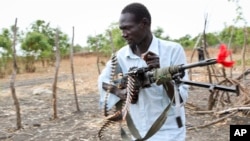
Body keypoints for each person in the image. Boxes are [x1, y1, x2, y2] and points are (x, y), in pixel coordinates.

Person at [98, 2, 189, 141]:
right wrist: (121, 93)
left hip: (170, 132)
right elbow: (103, 80)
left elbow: (179, 100)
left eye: (127, 28)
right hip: (139, 132)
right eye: (122, 29)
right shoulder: (122, 55)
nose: (123, 34)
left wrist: (161, 74)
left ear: (144, 23)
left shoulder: (172, 50)